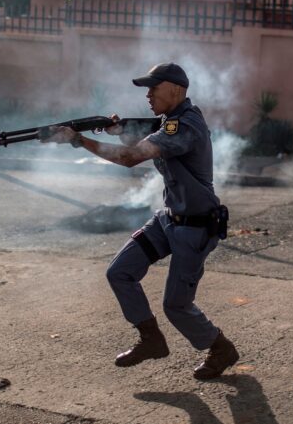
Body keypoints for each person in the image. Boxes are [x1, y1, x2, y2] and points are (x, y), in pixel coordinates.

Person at [41, 62, 239, 380]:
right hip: (169, 220)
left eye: (153, 87)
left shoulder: (184, 126)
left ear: (175, 89)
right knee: (119, 272)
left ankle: (220, 347)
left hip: (196, 227)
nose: (147, 95)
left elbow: (132, 157)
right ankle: (151, 340)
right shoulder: (168, 122)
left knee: (176, 306)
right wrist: (118, 130)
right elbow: (141, 143)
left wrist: (79, 141)